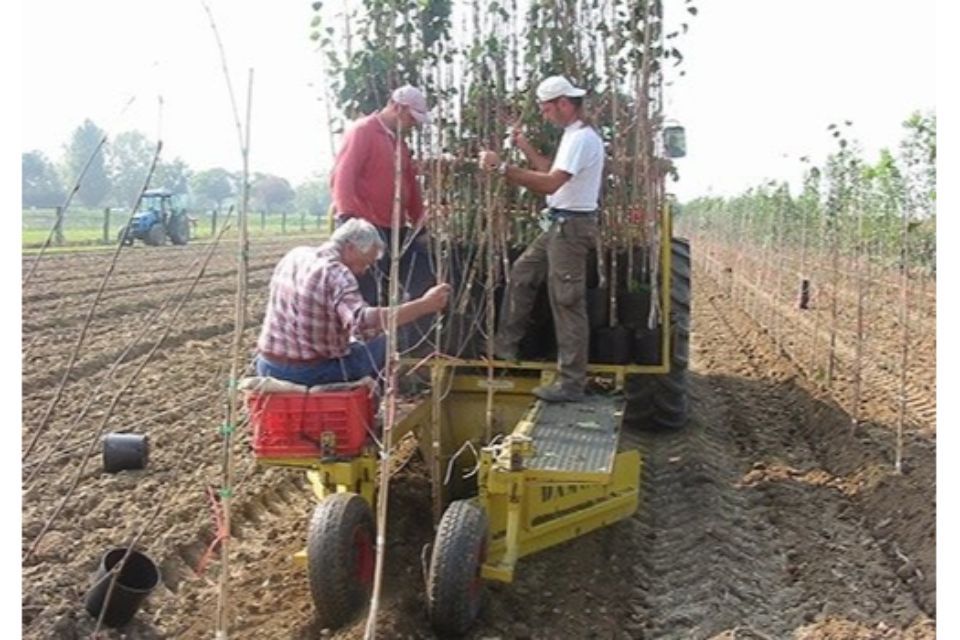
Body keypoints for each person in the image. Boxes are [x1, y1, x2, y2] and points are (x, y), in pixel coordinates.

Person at [479, 75, 604, 403]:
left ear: (563, 103)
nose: (544, 115)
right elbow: (550, 169)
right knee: (523, 272)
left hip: (570, 228)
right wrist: (523, 145)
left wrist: (502, 169)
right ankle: (504, 346)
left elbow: (550, 184)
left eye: (547, 109)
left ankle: (571, 383)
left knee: (567, 300)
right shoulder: (572, 135)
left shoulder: (582, 139)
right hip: (558, 225)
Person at [254, 218, 451, 386]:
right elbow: (363, 321)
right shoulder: (336, 273)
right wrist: (425, 305)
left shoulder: (296, 255)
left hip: (268, 365)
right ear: (350, 248)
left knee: (359, 343)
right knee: (387, 342)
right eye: (364, 263)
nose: (363, 271)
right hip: (310, 372)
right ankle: (383, 395)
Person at [330, 85, 435, 311]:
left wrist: (420, 224)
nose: (413, 124)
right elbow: (343, 176)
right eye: (411, 118)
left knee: (397, 287)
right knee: (366, 292)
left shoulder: (399, 144)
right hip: (367, 226)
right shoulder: (362, 131)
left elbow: (411, 185)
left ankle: (396, 330)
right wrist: (348, 218)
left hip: (394, 228)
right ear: (398, 108)